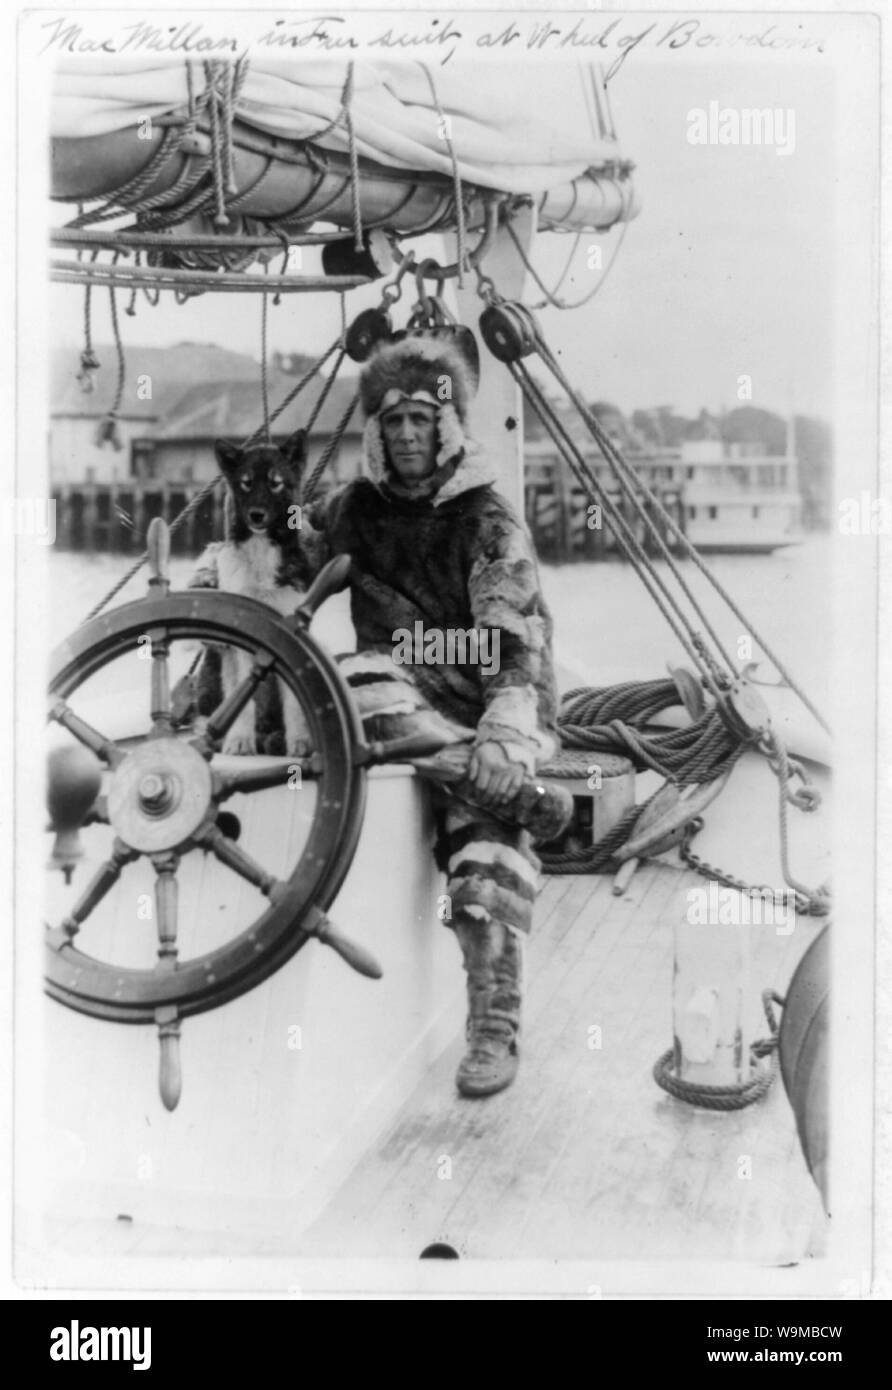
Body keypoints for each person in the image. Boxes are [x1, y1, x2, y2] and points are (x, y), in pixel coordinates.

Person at [302, 333, 561, 1097]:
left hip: (490, 698)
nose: (408, 434)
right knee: (353, 682)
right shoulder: (353, 509)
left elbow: (516, 639)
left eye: (421, 419)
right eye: (393, 423)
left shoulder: (486, 516)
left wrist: (507, 737)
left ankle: (493, 1028)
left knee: (483, 869)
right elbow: (288, 539)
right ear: (375, 434)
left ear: (447, 426)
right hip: (400, 696)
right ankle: (485, 786)